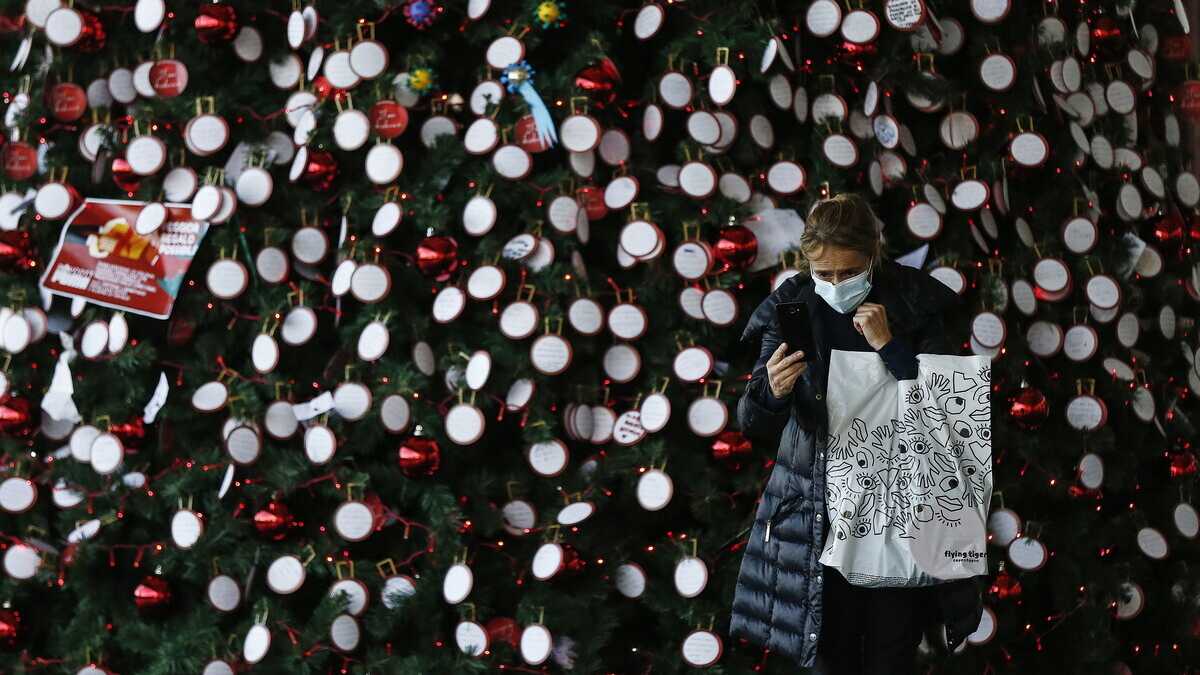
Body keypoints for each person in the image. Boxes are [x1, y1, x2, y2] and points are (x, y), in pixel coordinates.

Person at [727, 193, 984, 674]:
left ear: (873, 254)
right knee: (830, 656)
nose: (837, 284)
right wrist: (771, 393)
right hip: (819, 516)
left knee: (893, 655)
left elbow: (957, 420)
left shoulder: (918, 302)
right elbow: (751, 422)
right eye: (825, 274)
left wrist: (893, 347)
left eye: (849, 272)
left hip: (902, 516)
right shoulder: (792, 306)